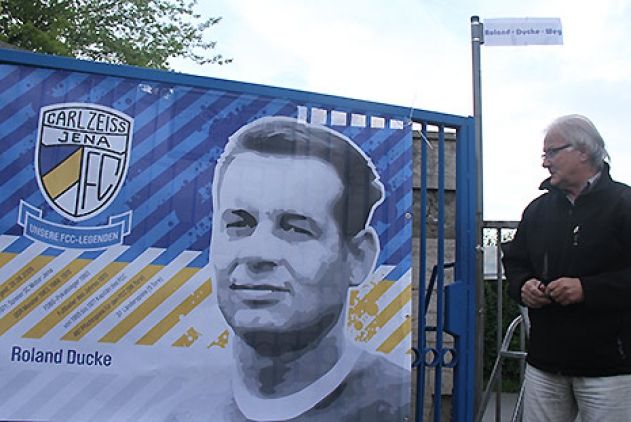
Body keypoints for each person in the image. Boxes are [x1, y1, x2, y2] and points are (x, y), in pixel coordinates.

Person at [172, 116, 410, 422]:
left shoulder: (397, 404)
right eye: (238, 224)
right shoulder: (178, 408)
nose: (258, 253)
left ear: (358, 258)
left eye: (296, 229)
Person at [502, 114, 631, 421]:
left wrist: (587, 289)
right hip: (545, 363)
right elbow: (516, 261)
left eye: (551, 152)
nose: (545, 162)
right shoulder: (537, 210)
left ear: (583, 151)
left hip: (609, 367)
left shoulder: (624, 204)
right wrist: (523, 285)